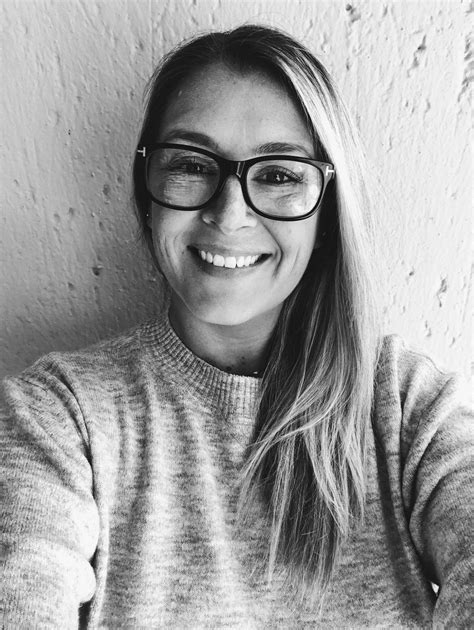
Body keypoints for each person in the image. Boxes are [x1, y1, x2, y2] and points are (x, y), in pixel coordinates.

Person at [1, 24, 472, 629]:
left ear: (326, 212)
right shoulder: (59, 418)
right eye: (191, 165)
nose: (229, 214)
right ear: (147, 194)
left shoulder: (406, 409)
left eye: (278, 175)